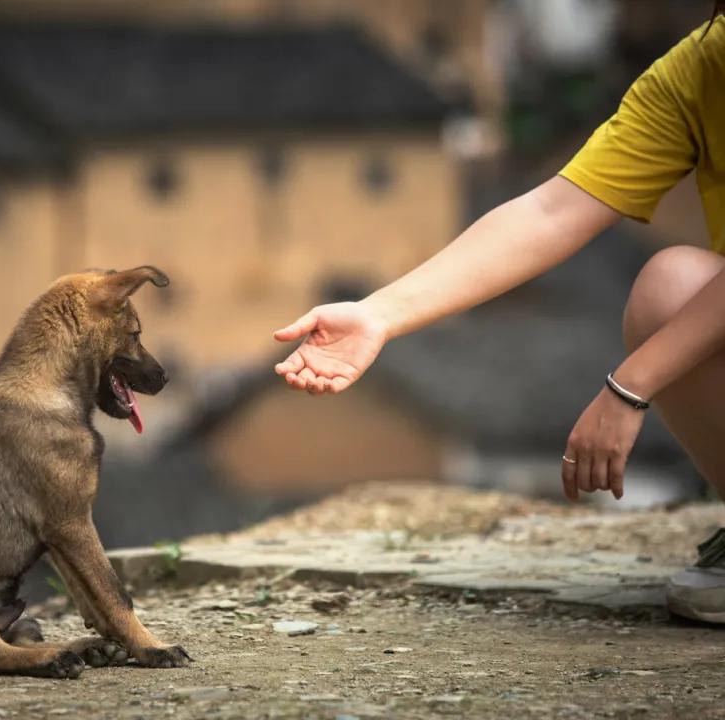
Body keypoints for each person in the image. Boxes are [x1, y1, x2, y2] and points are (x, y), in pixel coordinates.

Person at [273, 10, 725, 623]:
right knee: (670, 286)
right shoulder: (702, 67)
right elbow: (552, 212)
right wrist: (379, 314)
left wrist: (629, 387)